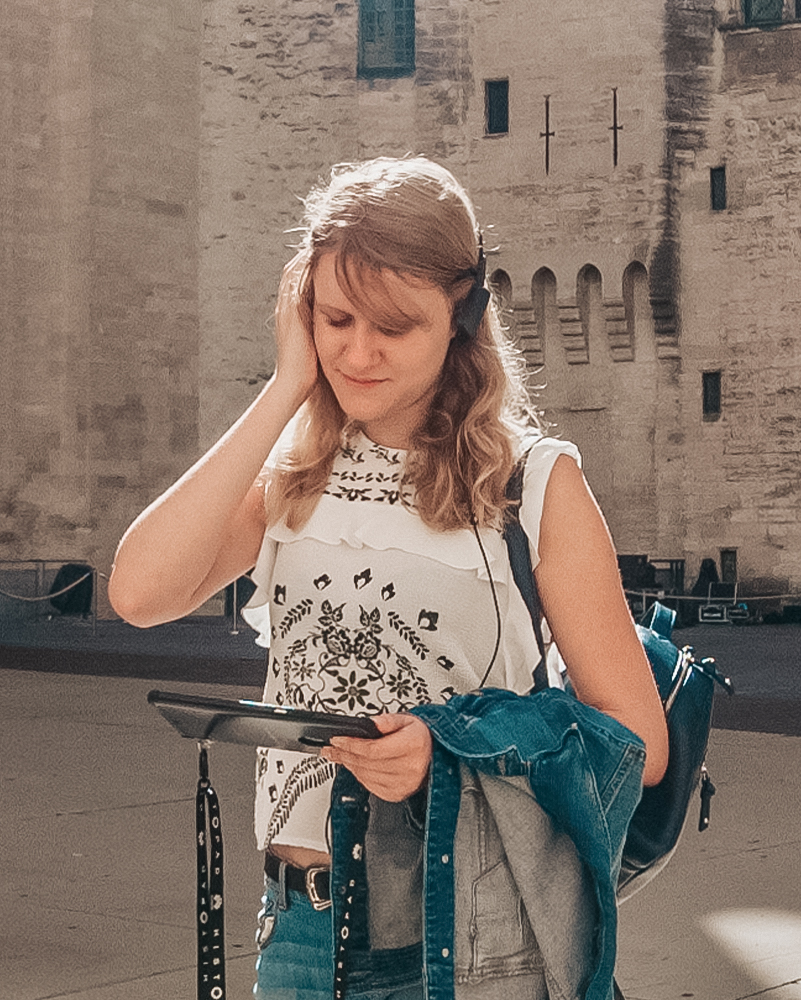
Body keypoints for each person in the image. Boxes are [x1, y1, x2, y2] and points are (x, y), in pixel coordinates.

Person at [109, 156, 667, 1000]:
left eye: (394, 326)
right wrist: (285, 386)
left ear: (462, 316)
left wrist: (443, 751)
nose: (357, 352)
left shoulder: (535, 482)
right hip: (298, 928)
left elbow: (639, 740)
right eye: (334, 317)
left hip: (462, 939)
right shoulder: (291, 474)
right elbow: (138, 594)